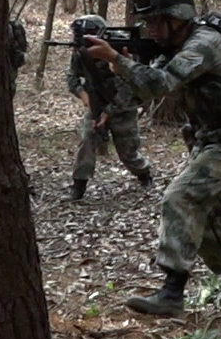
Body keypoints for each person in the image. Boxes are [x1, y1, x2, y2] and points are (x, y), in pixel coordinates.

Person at [83, 0, 221, 316]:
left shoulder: (205, 43)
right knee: (204, 206)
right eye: (148, 24)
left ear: (178, 18)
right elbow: (146, 86)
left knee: (180, 197)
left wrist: (117, 61)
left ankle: (172, 292)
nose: (151, 30)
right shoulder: (178, 43)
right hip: (213, 136)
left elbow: (160, 85)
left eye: (156, 22)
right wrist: (123, 66)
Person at [64, 14, 154, 200]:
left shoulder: (120, 49)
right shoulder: (80, 52)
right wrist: (84, 95)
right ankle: (79, 185)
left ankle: (145, 175)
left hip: (123, 107)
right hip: (97, 103)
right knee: (88, 139)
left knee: (128, 153)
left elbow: (130, 88)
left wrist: (109, 111)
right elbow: (72, 77)